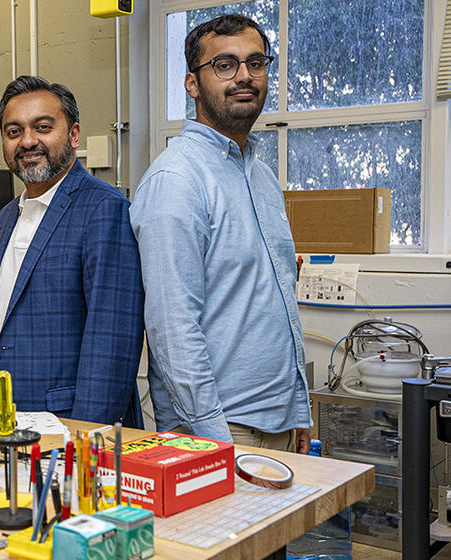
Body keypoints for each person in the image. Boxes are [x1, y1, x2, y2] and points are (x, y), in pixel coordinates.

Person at [129, 14, 311, 452]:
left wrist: (299, 412)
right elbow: (174, 331)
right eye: (225, 65)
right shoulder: (177, 180)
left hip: (280, 423)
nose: (244, 76)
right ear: (192, 83)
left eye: (256, 62)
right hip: (222, 431)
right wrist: (216, 443)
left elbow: (276, 301)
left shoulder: (262, 177)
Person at [0, 75, 144, 427]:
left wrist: (87, 438)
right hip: (7, 417)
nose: (28, 141)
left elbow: (112, 343)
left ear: (73, 134)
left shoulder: (104, 209)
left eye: (42, 127)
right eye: (14, 131)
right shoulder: (8, 216)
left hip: (70, 426)